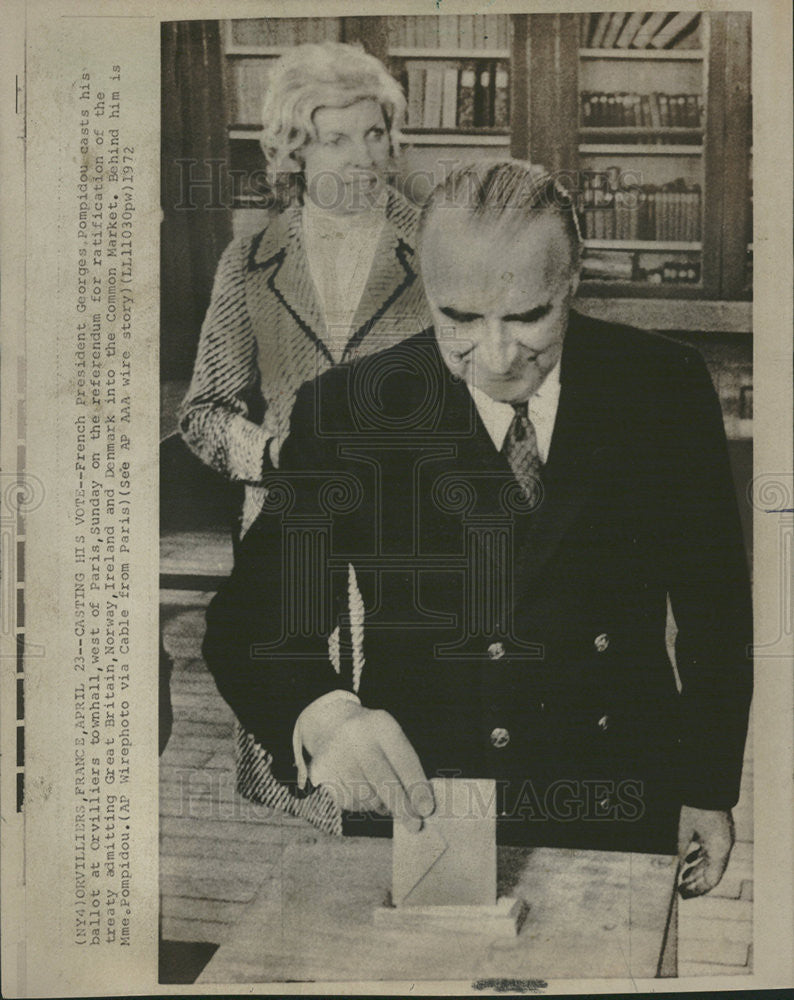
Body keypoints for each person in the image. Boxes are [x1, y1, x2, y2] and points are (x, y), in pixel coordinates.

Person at [203, 161, 752, 895]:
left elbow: (716, 613)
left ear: (574, 280)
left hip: (617, 791)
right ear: (424, 291)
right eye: (458, 318)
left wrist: (707, 785)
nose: (495, 357)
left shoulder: (662, 386)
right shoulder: (350, 412)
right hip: (429, 799)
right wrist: (323, 715)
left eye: (529, 316)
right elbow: (251, 620)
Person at [180, 40, 432, 540]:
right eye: (336, 140)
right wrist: (277, 457)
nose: (365, 158)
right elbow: (203, 414)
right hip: (284, 529)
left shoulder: (441, 249)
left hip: (414, 530)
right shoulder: (248, 262)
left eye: (375, 134)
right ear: (296, 152)